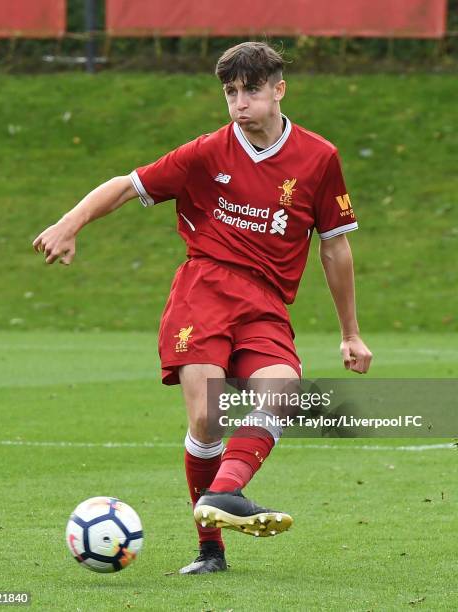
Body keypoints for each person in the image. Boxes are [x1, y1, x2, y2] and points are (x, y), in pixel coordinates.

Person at [33, 41, 372, 575]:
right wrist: (69, 223)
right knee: (205, 416)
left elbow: (334, 245)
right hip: (204, 291)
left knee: (284, 392)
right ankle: (211, 550)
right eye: (230, 92)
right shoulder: (205, 153)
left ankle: (227, 492)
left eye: (251, 90)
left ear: (279, 90)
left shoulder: (319, 158)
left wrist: (350, 332)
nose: (239, 103)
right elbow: (128, 186)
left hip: (264, 305)